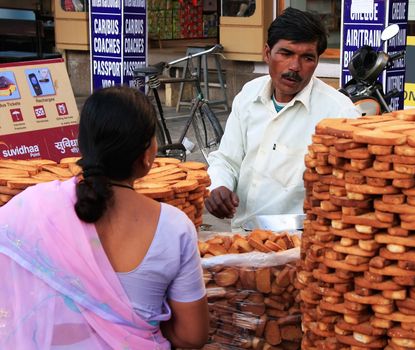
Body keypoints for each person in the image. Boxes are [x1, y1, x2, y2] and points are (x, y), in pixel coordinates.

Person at [0, 86, 209, 349]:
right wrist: (144, 321)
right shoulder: (175, 227)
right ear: (147, 155)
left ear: (82, 146)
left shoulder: (33, 207)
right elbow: (193, 336)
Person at [205, 7, 360, 230]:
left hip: (303, 240)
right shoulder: (249, 95)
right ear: (267, 53)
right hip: (242, 235)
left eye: (307, 57)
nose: (294, 67)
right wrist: (219, 186)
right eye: (286, 54)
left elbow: (350, 188)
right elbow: (228, 160)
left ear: (316, 62)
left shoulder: (339, 114)